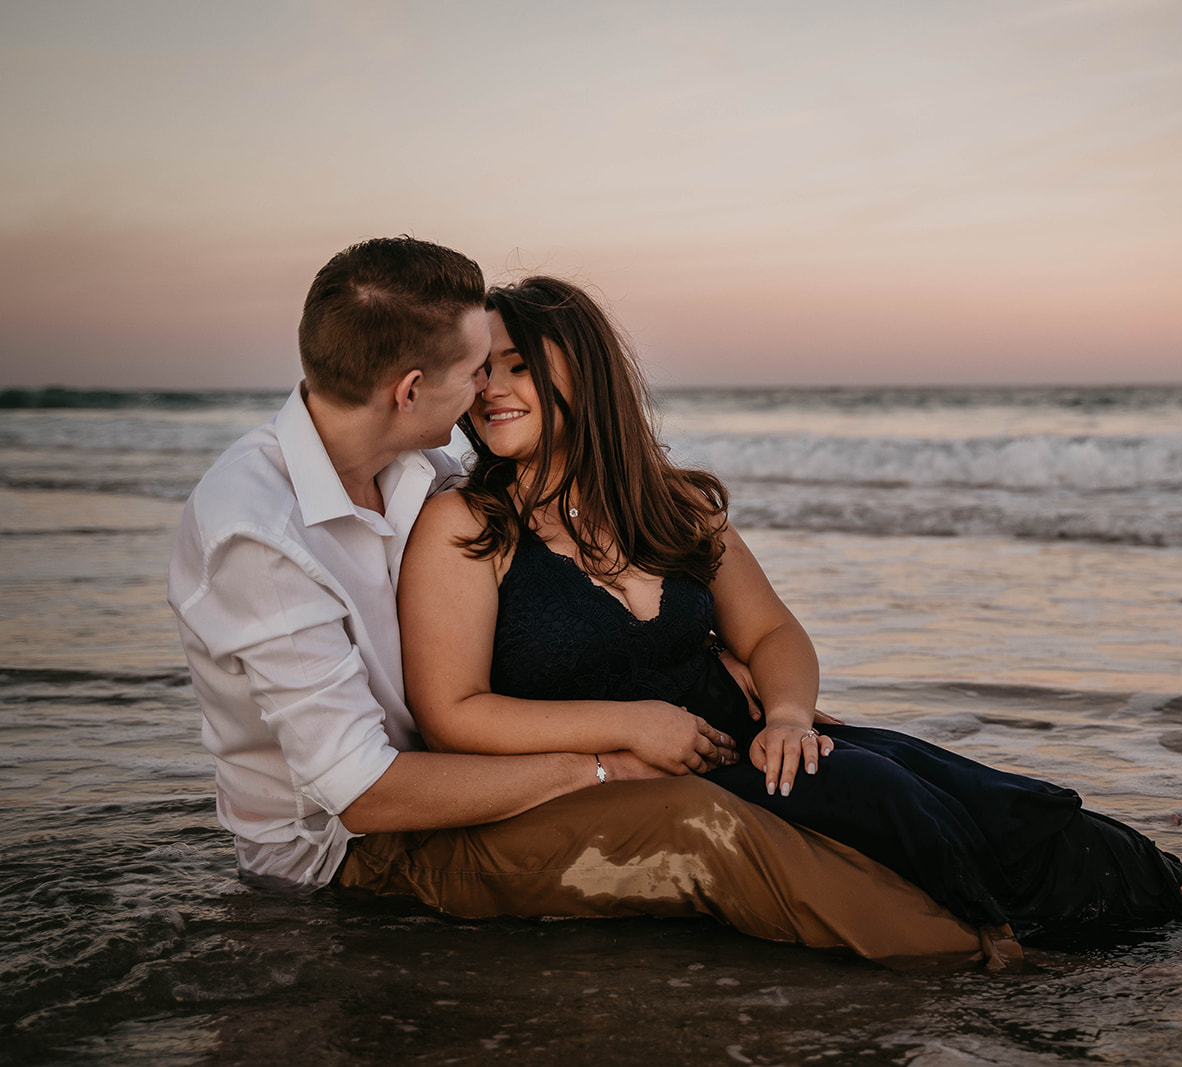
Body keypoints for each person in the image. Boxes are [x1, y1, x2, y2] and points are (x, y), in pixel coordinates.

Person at [167, 236, 1022, 967]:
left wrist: (706, 659)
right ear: (410, 389)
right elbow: (362, 793)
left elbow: (556, 524)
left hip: (472, 776)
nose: (487, 394)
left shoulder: (417, 463)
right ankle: (965, 959)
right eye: (476, 371)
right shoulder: (258, 532)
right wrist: (608, 760)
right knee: (696, 829)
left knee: (852, 762)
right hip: (359, 848)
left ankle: (1019, 888)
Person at [398, 275, 1182, 944]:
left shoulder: (673, 505)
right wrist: (631, 725)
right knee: (891, 805)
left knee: (982, 793)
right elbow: (451, 713)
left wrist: (790, 714)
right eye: (480, 371)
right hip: (641, 785)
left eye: (516, 365)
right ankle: (1042, 948)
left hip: (758, 744)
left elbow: (770, 631)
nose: (489, 390)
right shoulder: (469, 526)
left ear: (584, 369)